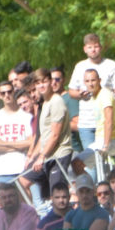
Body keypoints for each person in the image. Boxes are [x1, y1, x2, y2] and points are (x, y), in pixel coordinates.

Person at [20, 68, 72, 210]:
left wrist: (41, 156)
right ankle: (35, 216)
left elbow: (55, 134)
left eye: (44, 82)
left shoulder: (56, 102)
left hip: (58, 155)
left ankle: (68, 229)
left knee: (59, 197)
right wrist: (32, 156)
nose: (41, 86)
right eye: (38, 83)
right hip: (47, 156)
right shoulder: (45, 103)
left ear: (50, 82)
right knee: (22, 181)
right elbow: (44, 134)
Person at [68, 33, 115, 131]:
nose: (93, 50)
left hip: (107, 121)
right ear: (85, 49)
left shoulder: (111, 65)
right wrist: (80, 94)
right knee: (89, 147)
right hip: (86, 122)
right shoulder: (80, 66)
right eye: (90, 47)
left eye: (96, 46)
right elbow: (71, 91)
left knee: (105, 146)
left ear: (101, 47)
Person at [0, 81, 34, 184]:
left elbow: (31, 142)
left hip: (24, 168)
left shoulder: (26, 117)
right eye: (3, 93)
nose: (7, 95)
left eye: (9, 92)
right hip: (3, 170)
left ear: (14, 92)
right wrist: (21, 145)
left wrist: (4, 143)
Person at [51, 66, 81, 153]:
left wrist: (58, 124)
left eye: (57, 79)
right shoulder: (52, 100)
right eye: (51, 80)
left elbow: (78, 125)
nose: (53, 83)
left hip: (71, 150)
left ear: (63, 80)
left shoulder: (69, 99)